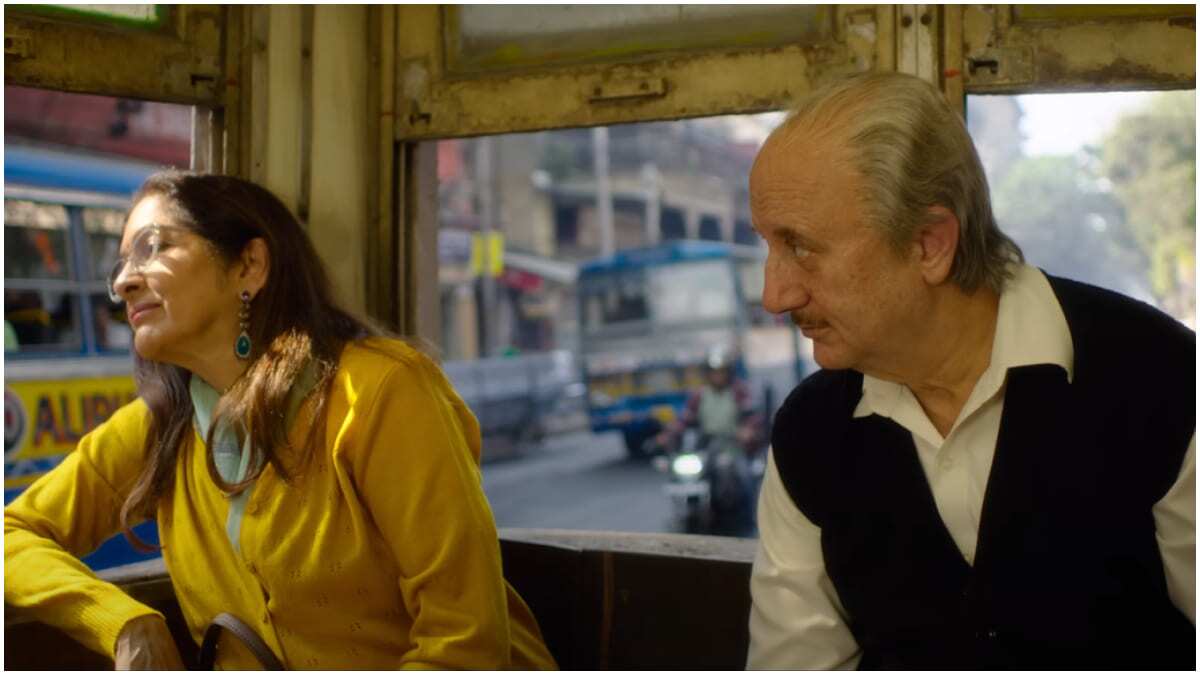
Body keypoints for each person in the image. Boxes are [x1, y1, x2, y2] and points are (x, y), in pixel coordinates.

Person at [4, 172, 557, 670]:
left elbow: (465, 643)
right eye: (121, 264)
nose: (125, 281)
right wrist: (124, 622)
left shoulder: (379, 392)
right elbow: (11, 535)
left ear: (249, 265)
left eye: (155, 247)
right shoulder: (159, 429)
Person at [746, 72, 1194, 670]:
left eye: (800, 246)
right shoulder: (809, 434)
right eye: (768, 246)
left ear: (930, 244)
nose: (773, 295)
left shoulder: (1162, 380)